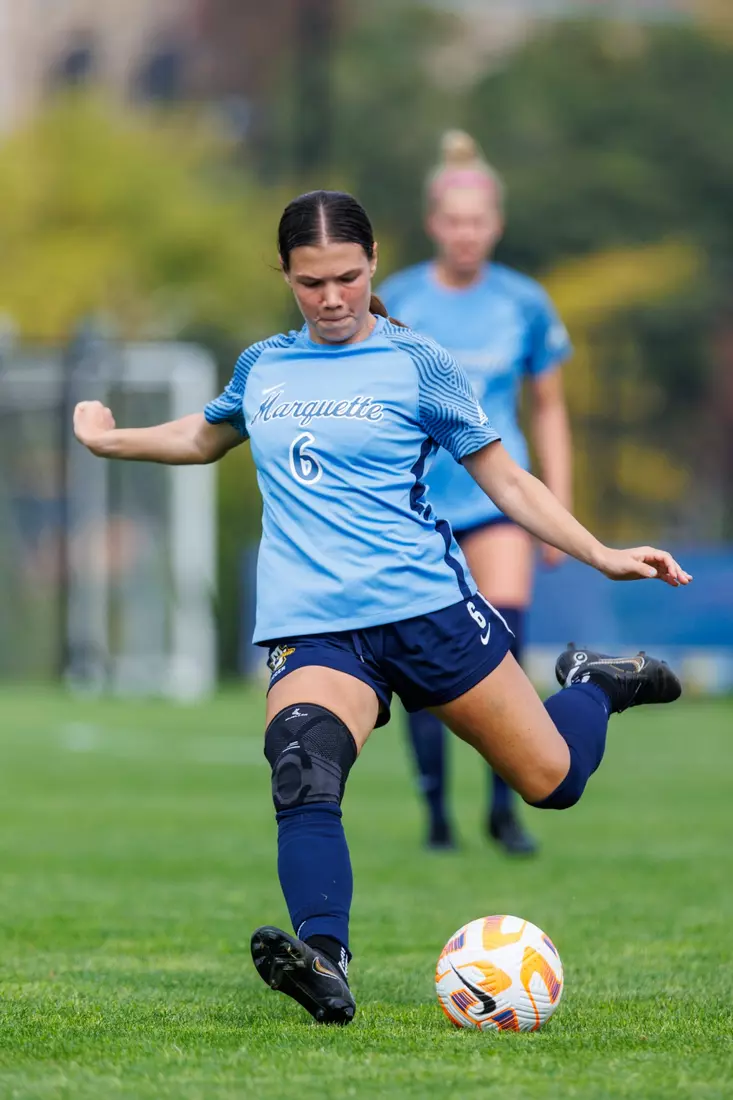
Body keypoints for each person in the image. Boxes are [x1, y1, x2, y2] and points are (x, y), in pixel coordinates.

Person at [73, 189, 689, 1027]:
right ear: (286, 276)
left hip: (426, 611)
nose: (330, 299)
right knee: (301, 763)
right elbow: (205, 435)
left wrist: (601, 553)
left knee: (553, 783)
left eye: (348, 279)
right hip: (315, 626)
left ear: (371, 266)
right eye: (310, 282)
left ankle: (597, 683)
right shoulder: (264, 365)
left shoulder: (419, 363)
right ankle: (324, 961)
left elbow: (505, 479)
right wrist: (112, 439)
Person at [379, 131, 573, 855]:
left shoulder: (523, 302)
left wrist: (558, 507)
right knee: (424, 656)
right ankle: (436, 816)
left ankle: (504, 804)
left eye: (478, 222)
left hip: (498, 501)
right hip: (417, 506)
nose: (466, 234)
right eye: (453, 222)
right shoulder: (395, 299)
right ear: (435, 224)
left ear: (495, 224)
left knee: (504, 650)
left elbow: (548, 406)